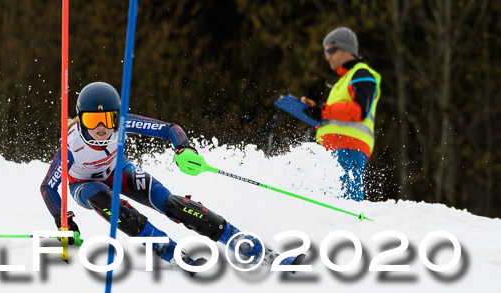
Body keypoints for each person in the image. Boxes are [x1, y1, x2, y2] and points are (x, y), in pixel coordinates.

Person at [41, 81, 301, 272]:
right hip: (85, 185)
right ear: (81, 119)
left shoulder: (123, 123)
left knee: (172, 204)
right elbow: (48, 188)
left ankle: (252, 248)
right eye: (93, 120)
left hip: (119, 171)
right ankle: (167, 249)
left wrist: (183, 147)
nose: (101, 128)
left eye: (108, 119)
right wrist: (64, 221)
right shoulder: (70, 146)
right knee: (103, 198)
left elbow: (169, 128)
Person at [300, 27, 381, 201]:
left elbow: (360, 110)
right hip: (335, 146)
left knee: (346, 205)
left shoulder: (362, 74)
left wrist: (323, 111)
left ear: (346, 50)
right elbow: (340, 114)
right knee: (329, 203)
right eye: (325, 51)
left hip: (349, 147)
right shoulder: (345, 79)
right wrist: (316, 110)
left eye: (330, 50)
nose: (327, 56)